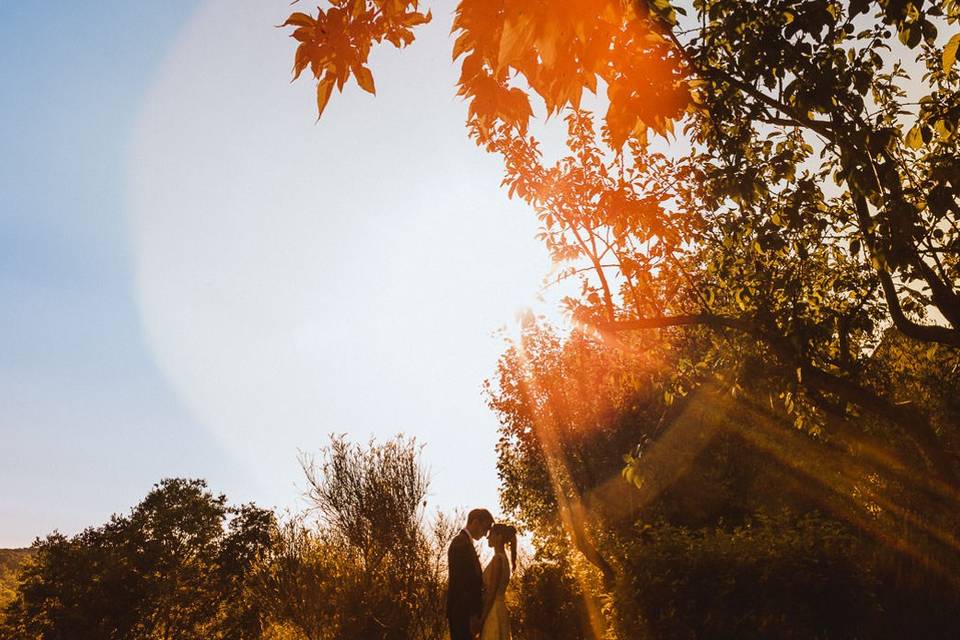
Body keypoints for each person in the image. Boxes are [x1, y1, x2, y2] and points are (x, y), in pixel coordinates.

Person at [447, 508, 494, 640]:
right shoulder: (461, 544)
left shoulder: (464, 543)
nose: (485, 534)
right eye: (485, 528)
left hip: (463, 611)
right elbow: (465, 584)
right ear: (475, 522)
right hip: (463, 612)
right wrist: (473, 615)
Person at [480, 523, 516, 640]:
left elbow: (491, 593)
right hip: (501, 609)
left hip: (493, 611)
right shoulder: (505, 560)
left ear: (499, 537)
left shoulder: (497, 560)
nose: (488, 538)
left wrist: (481, 619)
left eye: (491, 535)